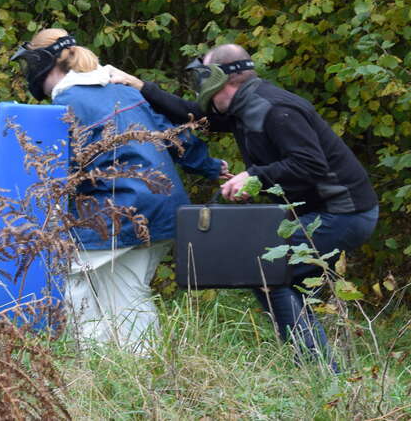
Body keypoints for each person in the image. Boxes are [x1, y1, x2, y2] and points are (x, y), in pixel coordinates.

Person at [110, 44, 379, 366]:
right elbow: (194, 116)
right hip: (325, 213)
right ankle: (318, 367)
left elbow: (311, 164)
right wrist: (141, 87)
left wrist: (254, 176)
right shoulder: (245, 107)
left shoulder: (276, 109)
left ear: (221, 79)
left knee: (267, 272)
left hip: (343, 214)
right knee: (276, 278)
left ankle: (319, 370)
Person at [10, 28, 227, 351]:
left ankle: (106, 367)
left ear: (43, 63)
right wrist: (211, 166)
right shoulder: (124, 91)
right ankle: (127, 373)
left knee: (72, 284)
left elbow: (53, 173)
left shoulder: (68, 103)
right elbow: (174, 135)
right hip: (164, 208)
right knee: (123, 291)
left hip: (119, 211)